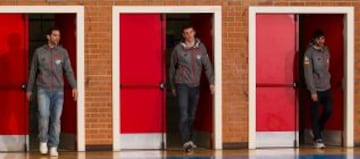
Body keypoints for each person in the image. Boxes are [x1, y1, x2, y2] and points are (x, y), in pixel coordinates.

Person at [26, 27, 78, 156]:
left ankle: (53, 146)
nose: (57, 38)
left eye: (58, 36)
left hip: (58, 92)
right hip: (43, 90)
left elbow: (69, 71)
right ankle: (43, 140)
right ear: (48, 36)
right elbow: (33, 71)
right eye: (54, 35)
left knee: (56, 119)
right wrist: (29, 89)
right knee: (44, 116)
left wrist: (74, 86)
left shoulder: (63, 52)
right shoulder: (39, 52)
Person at [168, 25, 214, 152]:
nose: (188, 35)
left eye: (190, 32)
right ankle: (186, 141)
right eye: (186, 33)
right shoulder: (178, 49)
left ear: (194, 33)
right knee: (184, 114)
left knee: (192, 115)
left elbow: (208, 66)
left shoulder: (201, 48)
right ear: (183, 35)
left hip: (196, 86)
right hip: (182, 84)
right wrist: (172, 86)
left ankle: (190, 139)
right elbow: (172, 68)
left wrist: (212, 83)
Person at [303, 29, 332, 149]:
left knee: (329, 110)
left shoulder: (326, 50)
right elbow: (308, 73)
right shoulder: (308, 53)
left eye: (323, 39)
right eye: (319, 39)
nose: (322, 41)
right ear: (315, 39)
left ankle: (317, 130)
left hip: (326, 87)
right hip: (316, 89)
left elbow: (327, 67)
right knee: (315, 114)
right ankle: (318, 139)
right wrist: (312, 90)